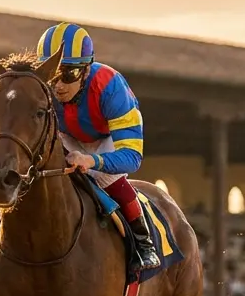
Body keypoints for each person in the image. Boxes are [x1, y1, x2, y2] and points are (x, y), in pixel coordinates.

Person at [37, 22, 159, 272]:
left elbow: (132, 157)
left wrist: (92, 161)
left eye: (68, 74)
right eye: (52, 75)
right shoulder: (44, 90)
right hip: (66, 135)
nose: (58, 85)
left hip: (106, 137)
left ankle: (143, 243)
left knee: (107, 179)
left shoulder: (111, 87)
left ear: (85, 70)